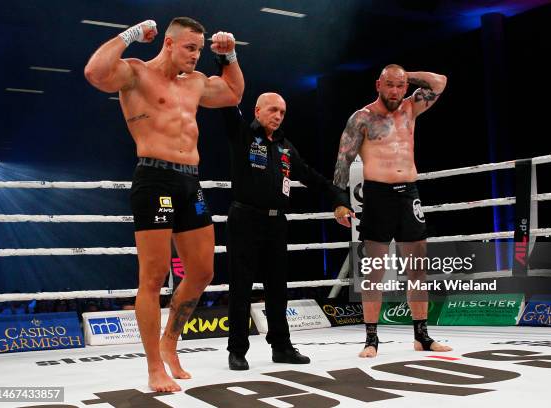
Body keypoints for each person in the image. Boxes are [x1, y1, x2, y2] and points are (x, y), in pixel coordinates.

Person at [84, 17, 244, 391]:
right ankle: (154, 367)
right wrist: (132, 34)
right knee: (153, 277)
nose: (195, 55)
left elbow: (234, 94)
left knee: (203, 271)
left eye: (200, 49)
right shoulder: (136, 74)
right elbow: (94, 71)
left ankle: (169, 342)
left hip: (191, 180)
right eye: (190, 48)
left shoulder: (195, 83)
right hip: (155, 178)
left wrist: (230, 55)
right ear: (169, 44)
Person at [221, 92, 353, 370]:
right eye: (272, 110)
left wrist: (340, 200)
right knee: (241, 288)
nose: (278, 116)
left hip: (276, 223)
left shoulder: (285, 147)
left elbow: (310, 176)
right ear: (257, 111)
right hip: (244, 219)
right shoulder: (243, 135)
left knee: (278, 288)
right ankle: (237, 350)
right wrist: (225, 60)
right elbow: (227, 105)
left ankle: (281, 347)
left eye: (282, 112)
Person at [333, 64, 452, 357]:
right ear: (378, 85)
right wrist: (339, 201)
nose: (396, 91)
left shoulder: (411, 108)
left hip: (408, 194)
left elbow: (440, 81)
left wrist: (404, 75)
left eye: (400, 86)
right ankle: (371, 339)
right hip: (377, 196)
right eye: (390, 85)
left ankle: (421, 336)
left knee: (417, 270)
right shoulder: (362, 118)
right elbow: (343, 161)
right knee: (374, 271)